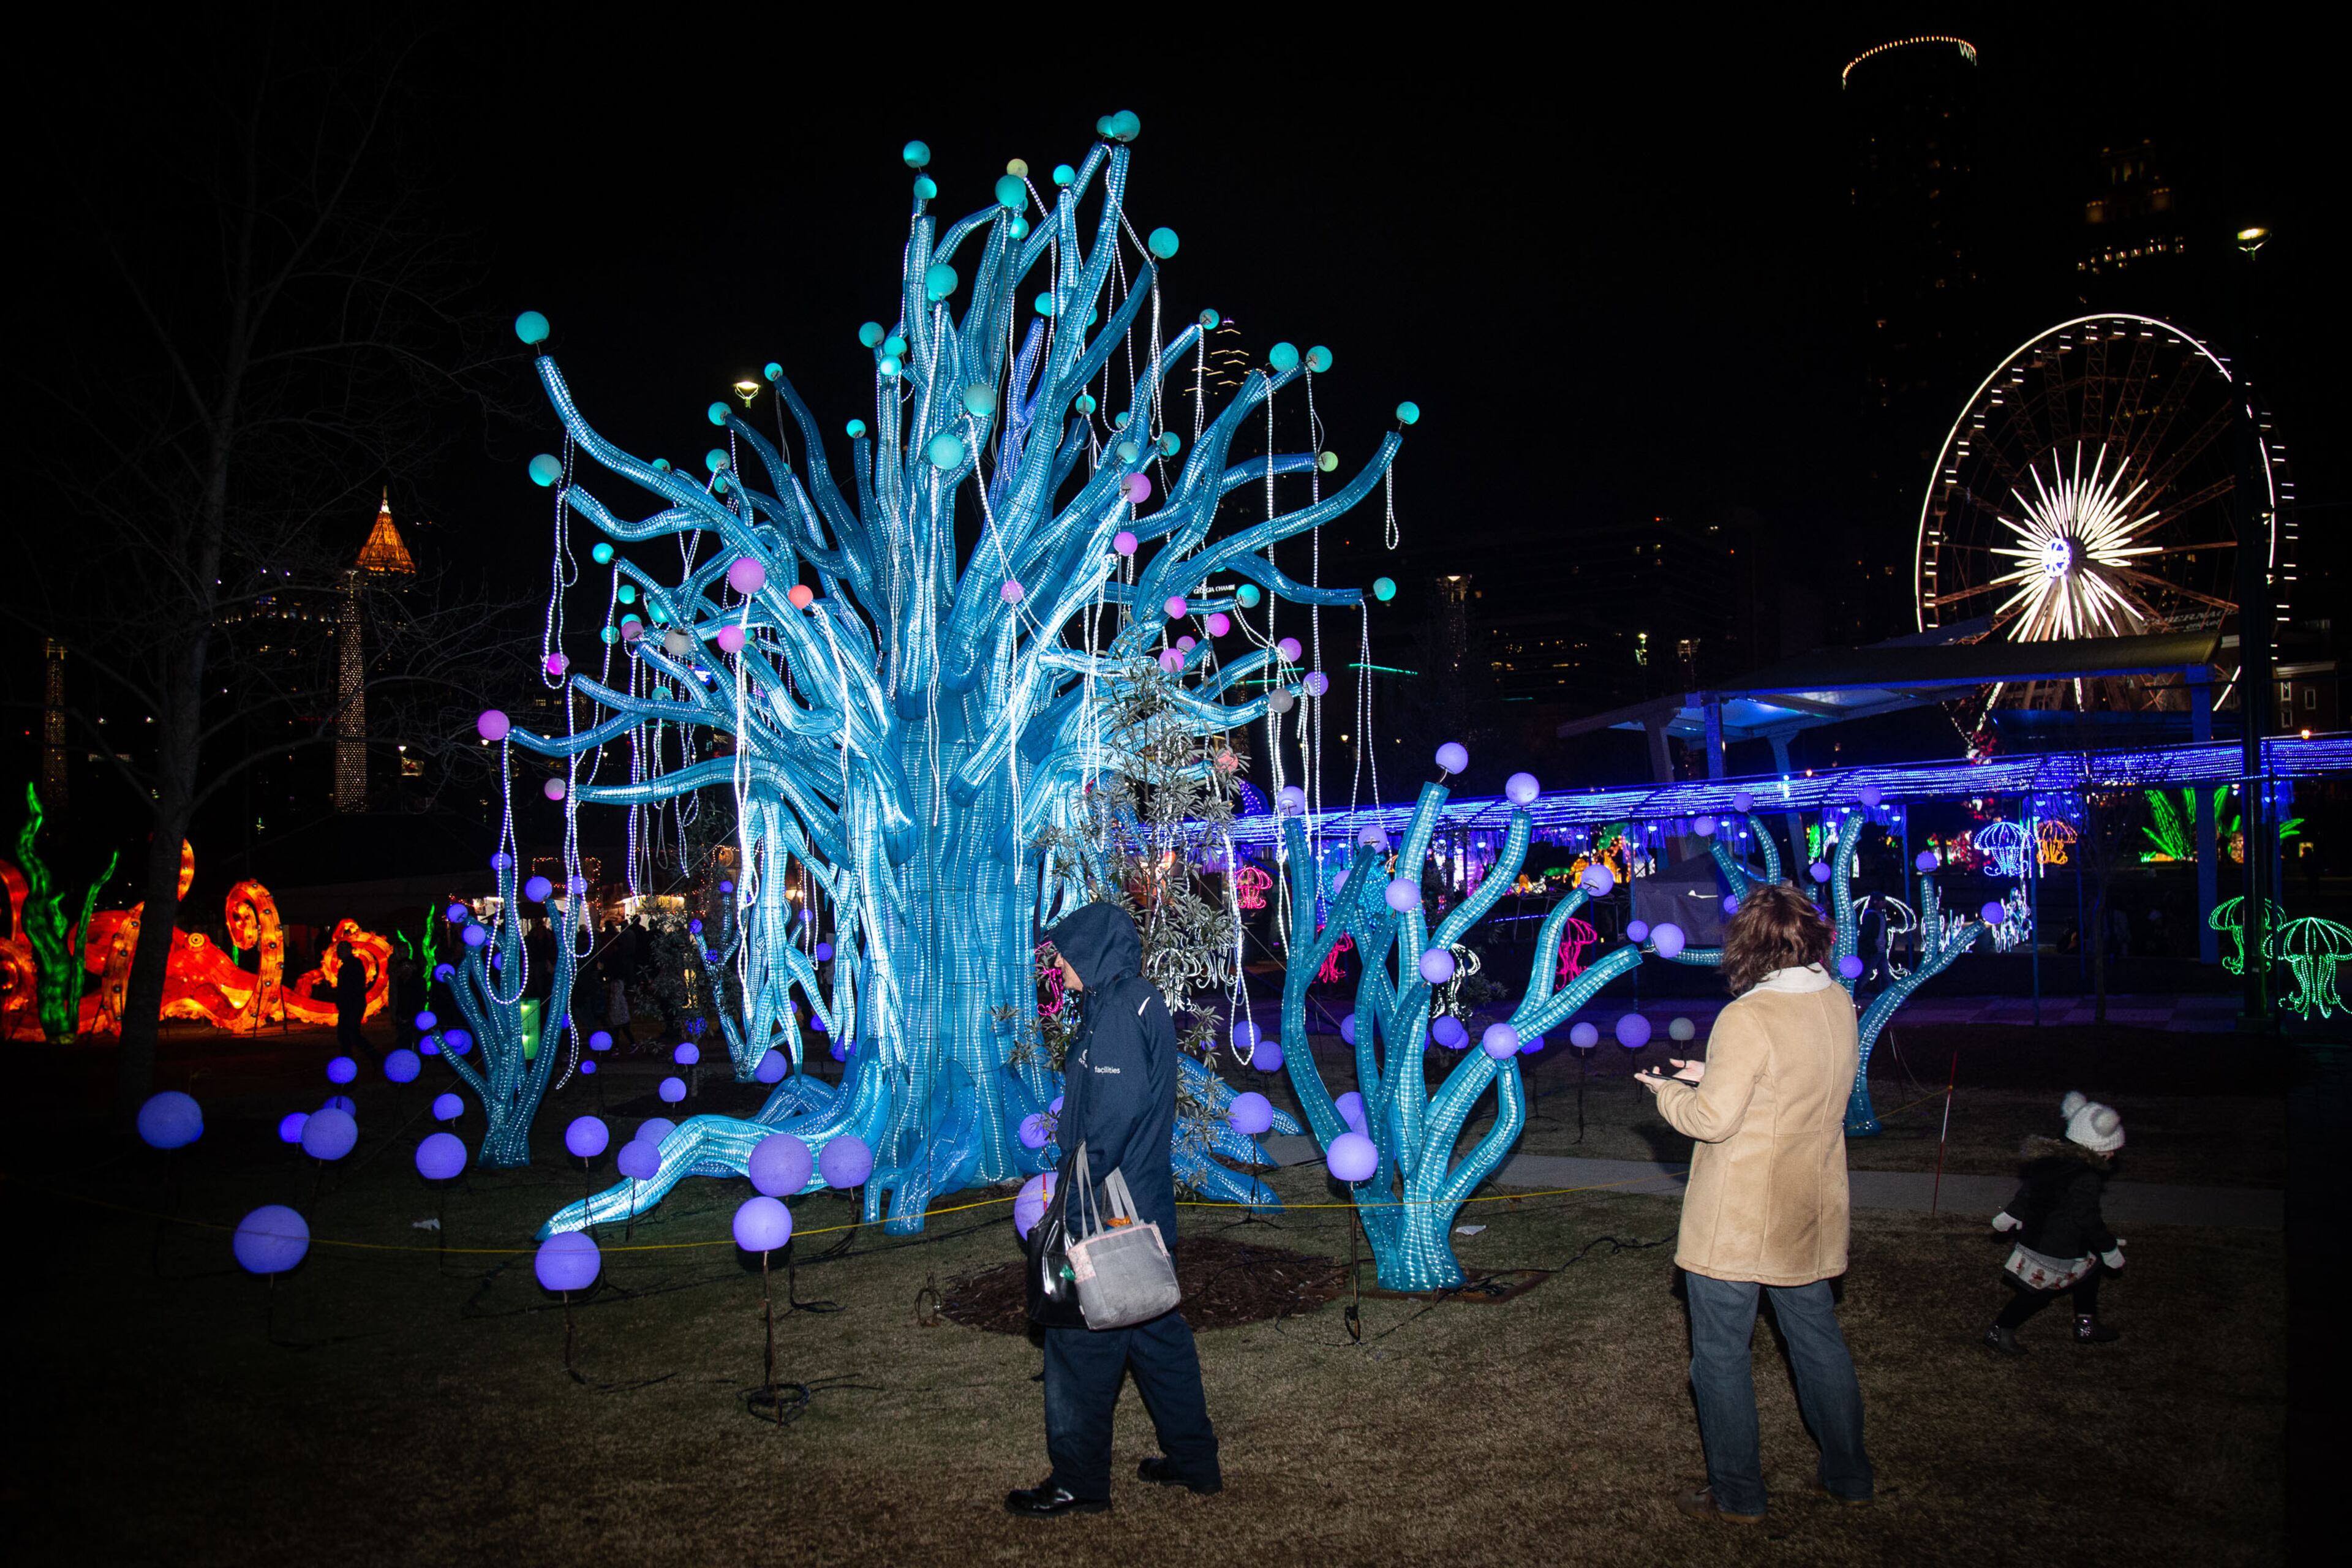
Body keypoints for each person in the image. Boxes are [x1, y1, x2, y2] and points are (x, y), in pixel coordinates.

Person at [1637, 882, 1873, 1525]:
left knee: (1719, 1357)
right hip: (1807, 1205)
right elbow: (1784, 1086)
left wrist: (1665, 1093)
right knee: (1818, 1343)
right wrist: (1705, 1072)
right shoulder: (1837, 1001)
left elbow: (1713, 1121)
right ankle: (1850, 1475)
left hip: (1740, 1216)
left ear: (1749, 945)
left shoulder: (1748, 1015)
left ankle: (1738, 1492)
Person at [1006, 901, 1221, 1518]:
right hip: (1140, 1204)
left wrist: (1075, 1187)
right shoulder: (1124, 1001)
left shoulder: (1122, 1011)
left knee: (1076, 1344)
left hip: (1108, 1211)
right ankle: (1194, 1460)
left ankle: (1078, 1481)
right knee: (1157, 1339)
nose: (1060, 964)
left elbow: (1117, 1113)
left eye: (1067, 953)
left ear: (1095, 951)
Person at [1982, 1093, 2127, 1355]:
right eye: (2111, 1147)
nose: (2114, 1153)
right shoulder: (2086, 1178)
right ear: (2094, 1146)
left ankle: (2086, 1321)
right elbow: (2087, 1218)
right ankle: (1999, 1330)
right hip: (2054, 1244)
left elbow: (2028, 1192)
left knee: (2090, 1269)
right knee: (2038, 1294)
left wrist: (2010, 1217)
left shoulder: (2053, 1161)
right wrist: (2109, 1248)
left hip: (2050, 1236)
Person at [332, 941, 371, 1060]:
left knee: (351, 1035)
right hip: (349, 1005)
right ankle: (348, 1059)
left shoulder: (353, 965)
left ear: (349, 950)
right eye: (339, 949)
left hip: (352, 1005)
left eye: (342, 949)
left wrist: (347, 1001)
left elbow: (353, 986)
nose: (339, 952)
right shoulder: (349, 965)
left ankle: (375, 1057)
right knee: (347, 1035)